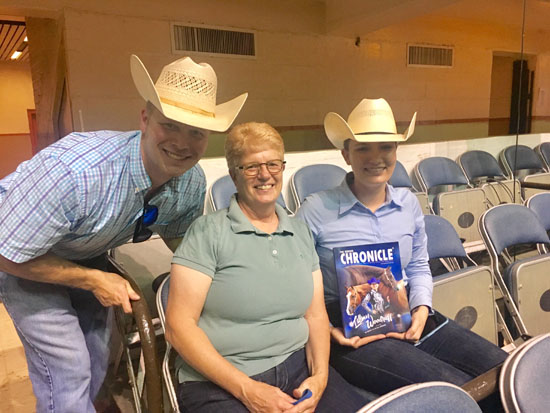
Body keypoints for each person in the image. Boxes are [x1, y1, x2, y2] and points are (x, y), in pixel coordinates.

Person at [0, 54, 247, 413]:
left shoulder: (190, 181)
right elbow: (8, 252)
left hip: (86, 250)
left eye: (196, 131)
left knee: (97, 358)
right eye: (171, 125)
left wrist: (227, 286)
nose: (182, 143)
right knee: (68, 368)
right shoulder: (78, 172)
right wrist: (93, 280)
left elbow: (185, 246)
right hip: (20, 253)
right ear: (145, 118)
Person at [296, 98, 507, 402]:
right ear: (346, 154)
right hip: (349, 331)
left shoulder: (408, 204)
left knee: (504, 371)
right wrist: (327, 330)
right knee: (457, 393)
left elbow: (419, 265)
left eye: (386, 147)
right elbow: (297, 283)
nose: (376, 157)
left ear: (396, 151)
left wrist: (422, 308)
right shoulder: (316, 210)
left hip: (406, 314)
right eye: (363, 148)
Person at [165, 122, 369, 412]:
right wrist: (247, 390)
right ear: (234, 176)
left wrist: (320, 377)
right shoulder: (207, 232)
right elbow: (178, 327)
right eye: (251, 167)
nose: (265, 174)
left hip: (298, 370)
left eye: (273, 164)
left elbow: (315, 315)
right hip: (221, 383)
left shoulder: (299, 231)